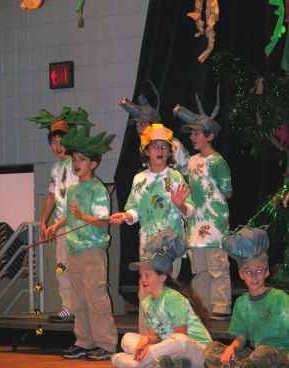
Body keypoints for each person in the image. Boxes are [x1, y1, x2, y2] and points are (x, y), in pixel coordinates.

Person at [110, 123, 195, 334]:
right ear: (146, 151)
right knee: (146, 295)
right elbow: (134, 210)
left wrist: (180, 205)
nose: (160, 151)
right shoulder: (139, 179)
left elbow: (190, 211)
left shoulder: (175, 177)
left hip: (169, 247)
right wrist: (125, 215)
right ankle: (146, 341)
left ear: (169, 152)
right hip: (147, 249)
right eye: (155, 146)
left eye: (164, 147)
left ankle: (171, 343)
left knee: (167, 293)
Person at [46, 125, 118, 360]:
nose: (76, 163)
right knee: (78, 299)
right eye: (75, 159)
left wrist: (82, 215)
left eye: (82, 160)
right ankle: (84, 341)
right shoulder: (74, 188)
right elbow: (69, 213)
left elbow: (102, 222)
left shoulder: (97, 189)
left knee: (96, 297)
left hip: (92, 250)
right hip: (74, 249)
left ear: (93, 164)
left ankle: (106, 344)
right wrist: (56, 225)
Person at [112, 229, 212, 368]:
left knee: (179, 341)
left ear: (162, 277)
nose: (143, 280)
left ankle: (137, 363)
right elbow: (156, 337)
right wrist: (147, 339)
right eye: (141, 276)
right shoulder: (147, 302)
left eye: (148, 276)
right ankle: (156, 363)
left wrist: (150, 350)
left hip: (197, 353)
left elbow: (180, 337)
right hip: (168, 352)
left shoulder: (173, 297)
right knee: (127, 339)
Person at [29, 107, 92, 323]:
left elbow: (77, 202)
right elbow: (50, 196)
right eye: (53, 142)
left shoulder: (76, 165)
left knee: (81, 269)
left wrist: (58, 225)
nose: (57, 146)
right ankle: (68, 307)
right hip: (61, 226)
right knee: (62, 267)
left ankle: (82, 308)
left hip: (77, 225)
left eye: (60, 141)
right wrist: (44, 222)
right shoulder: (56, 167)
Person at [174, 91, 233, 318]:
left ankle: (221, 307)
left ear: (209, 136)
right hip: (196, 223)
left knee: (217, 266)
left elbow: (227, 192)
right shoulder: (192, 161)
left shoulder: (218, 162)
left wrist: (210, 204)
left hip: (215, 222)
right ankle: (203, 307)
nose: (193, 137)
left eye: (196, 133)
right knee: (199, 270)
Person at [204, 227, 289, 368]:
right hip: (256, 356)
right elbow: (241, 340)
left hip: (280, 357)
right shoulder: (241, 303)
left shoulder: (279, 298)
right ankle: (244, 365)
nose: (254, 276)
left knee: (261, 354)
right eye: (248, 272)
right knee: (211, 351)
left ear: (267, 272)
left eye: (259, 271)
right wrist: (231, 348)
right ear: (241, 274)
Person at [120, 80, 190, 181]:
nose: (139, 129)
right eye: (137, 124)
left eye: (143, 124)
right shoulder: (144, 146)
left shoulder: (174, 145)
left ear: (154, 125)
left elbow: (186, 173)